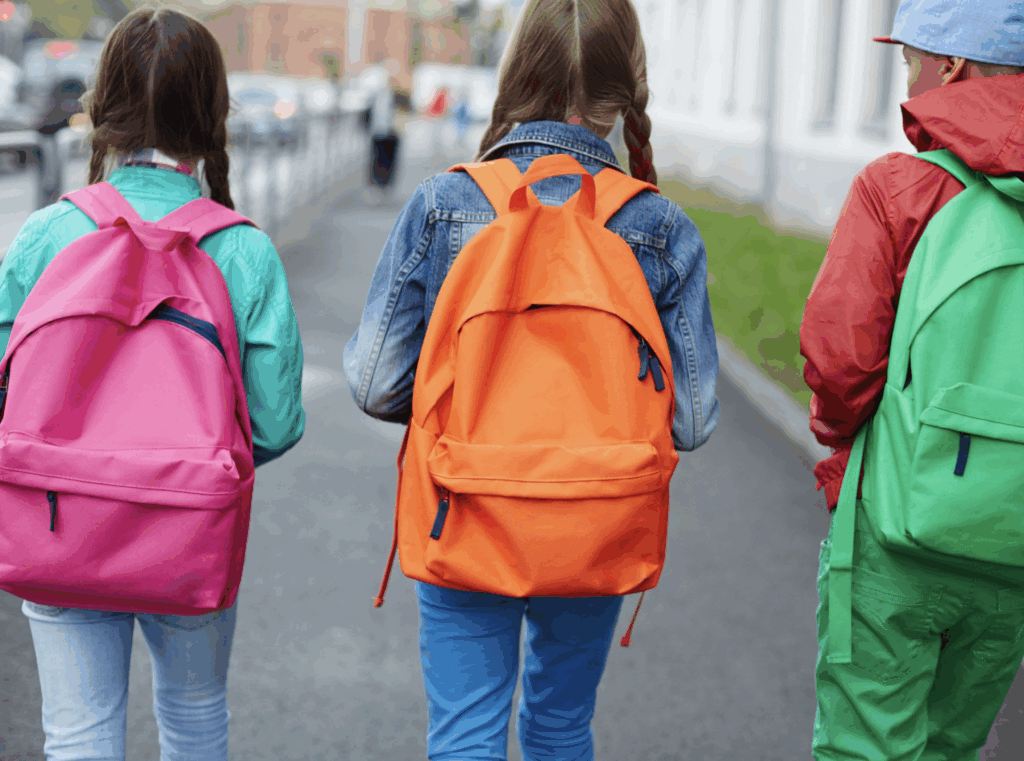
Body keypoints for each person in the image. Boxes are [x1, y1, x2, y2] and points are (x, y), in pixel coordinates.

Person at [343, 0, 719, 757]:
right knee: (559, 725)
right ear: (627, 87)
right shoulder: (660, 225)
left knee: (465, 730)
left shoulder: (446, 204)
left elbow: (376, 382)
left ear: (519, 71)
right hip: (596, 514)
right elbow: (692, 419)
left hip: (465, 503)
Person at [0, 8, 304, 760]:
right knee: (195, 715)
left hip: (58, 517)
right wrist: (185, 468)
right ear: (213, 115)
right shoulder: (243, 251)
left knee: (77, 733)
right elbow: (275, 421)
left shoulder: (50, 233)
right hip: (189, 528)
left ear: (99, 107)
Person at [800, 1, 1024, 758]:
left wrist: (842, 445)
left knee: (867, 743)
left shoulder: (900, 188)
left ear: (950, 67)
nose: (910, 77)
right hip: (1016, 545)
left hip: (898, 529)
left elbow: (839, 363)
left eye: (910, 61)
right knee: (952, 747)